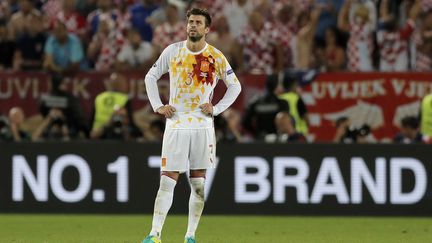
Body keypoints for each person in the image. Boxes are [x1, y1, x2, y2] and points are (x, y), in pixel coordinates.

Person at [142, 8, 241, 243]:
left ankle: (190, 235)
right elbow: (150, 77)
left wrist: (216, 108)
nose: (193, 25)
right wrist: (158, 105)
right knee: (167, 181)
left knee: (198, 184)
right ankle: (154, 234)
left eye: (198, 22)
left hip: (202, 126)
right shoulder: (173, 51)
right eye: (190, 22)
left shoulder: (215, 57)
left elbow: (235, 86)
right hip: (176, 123)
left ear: (207, 29)